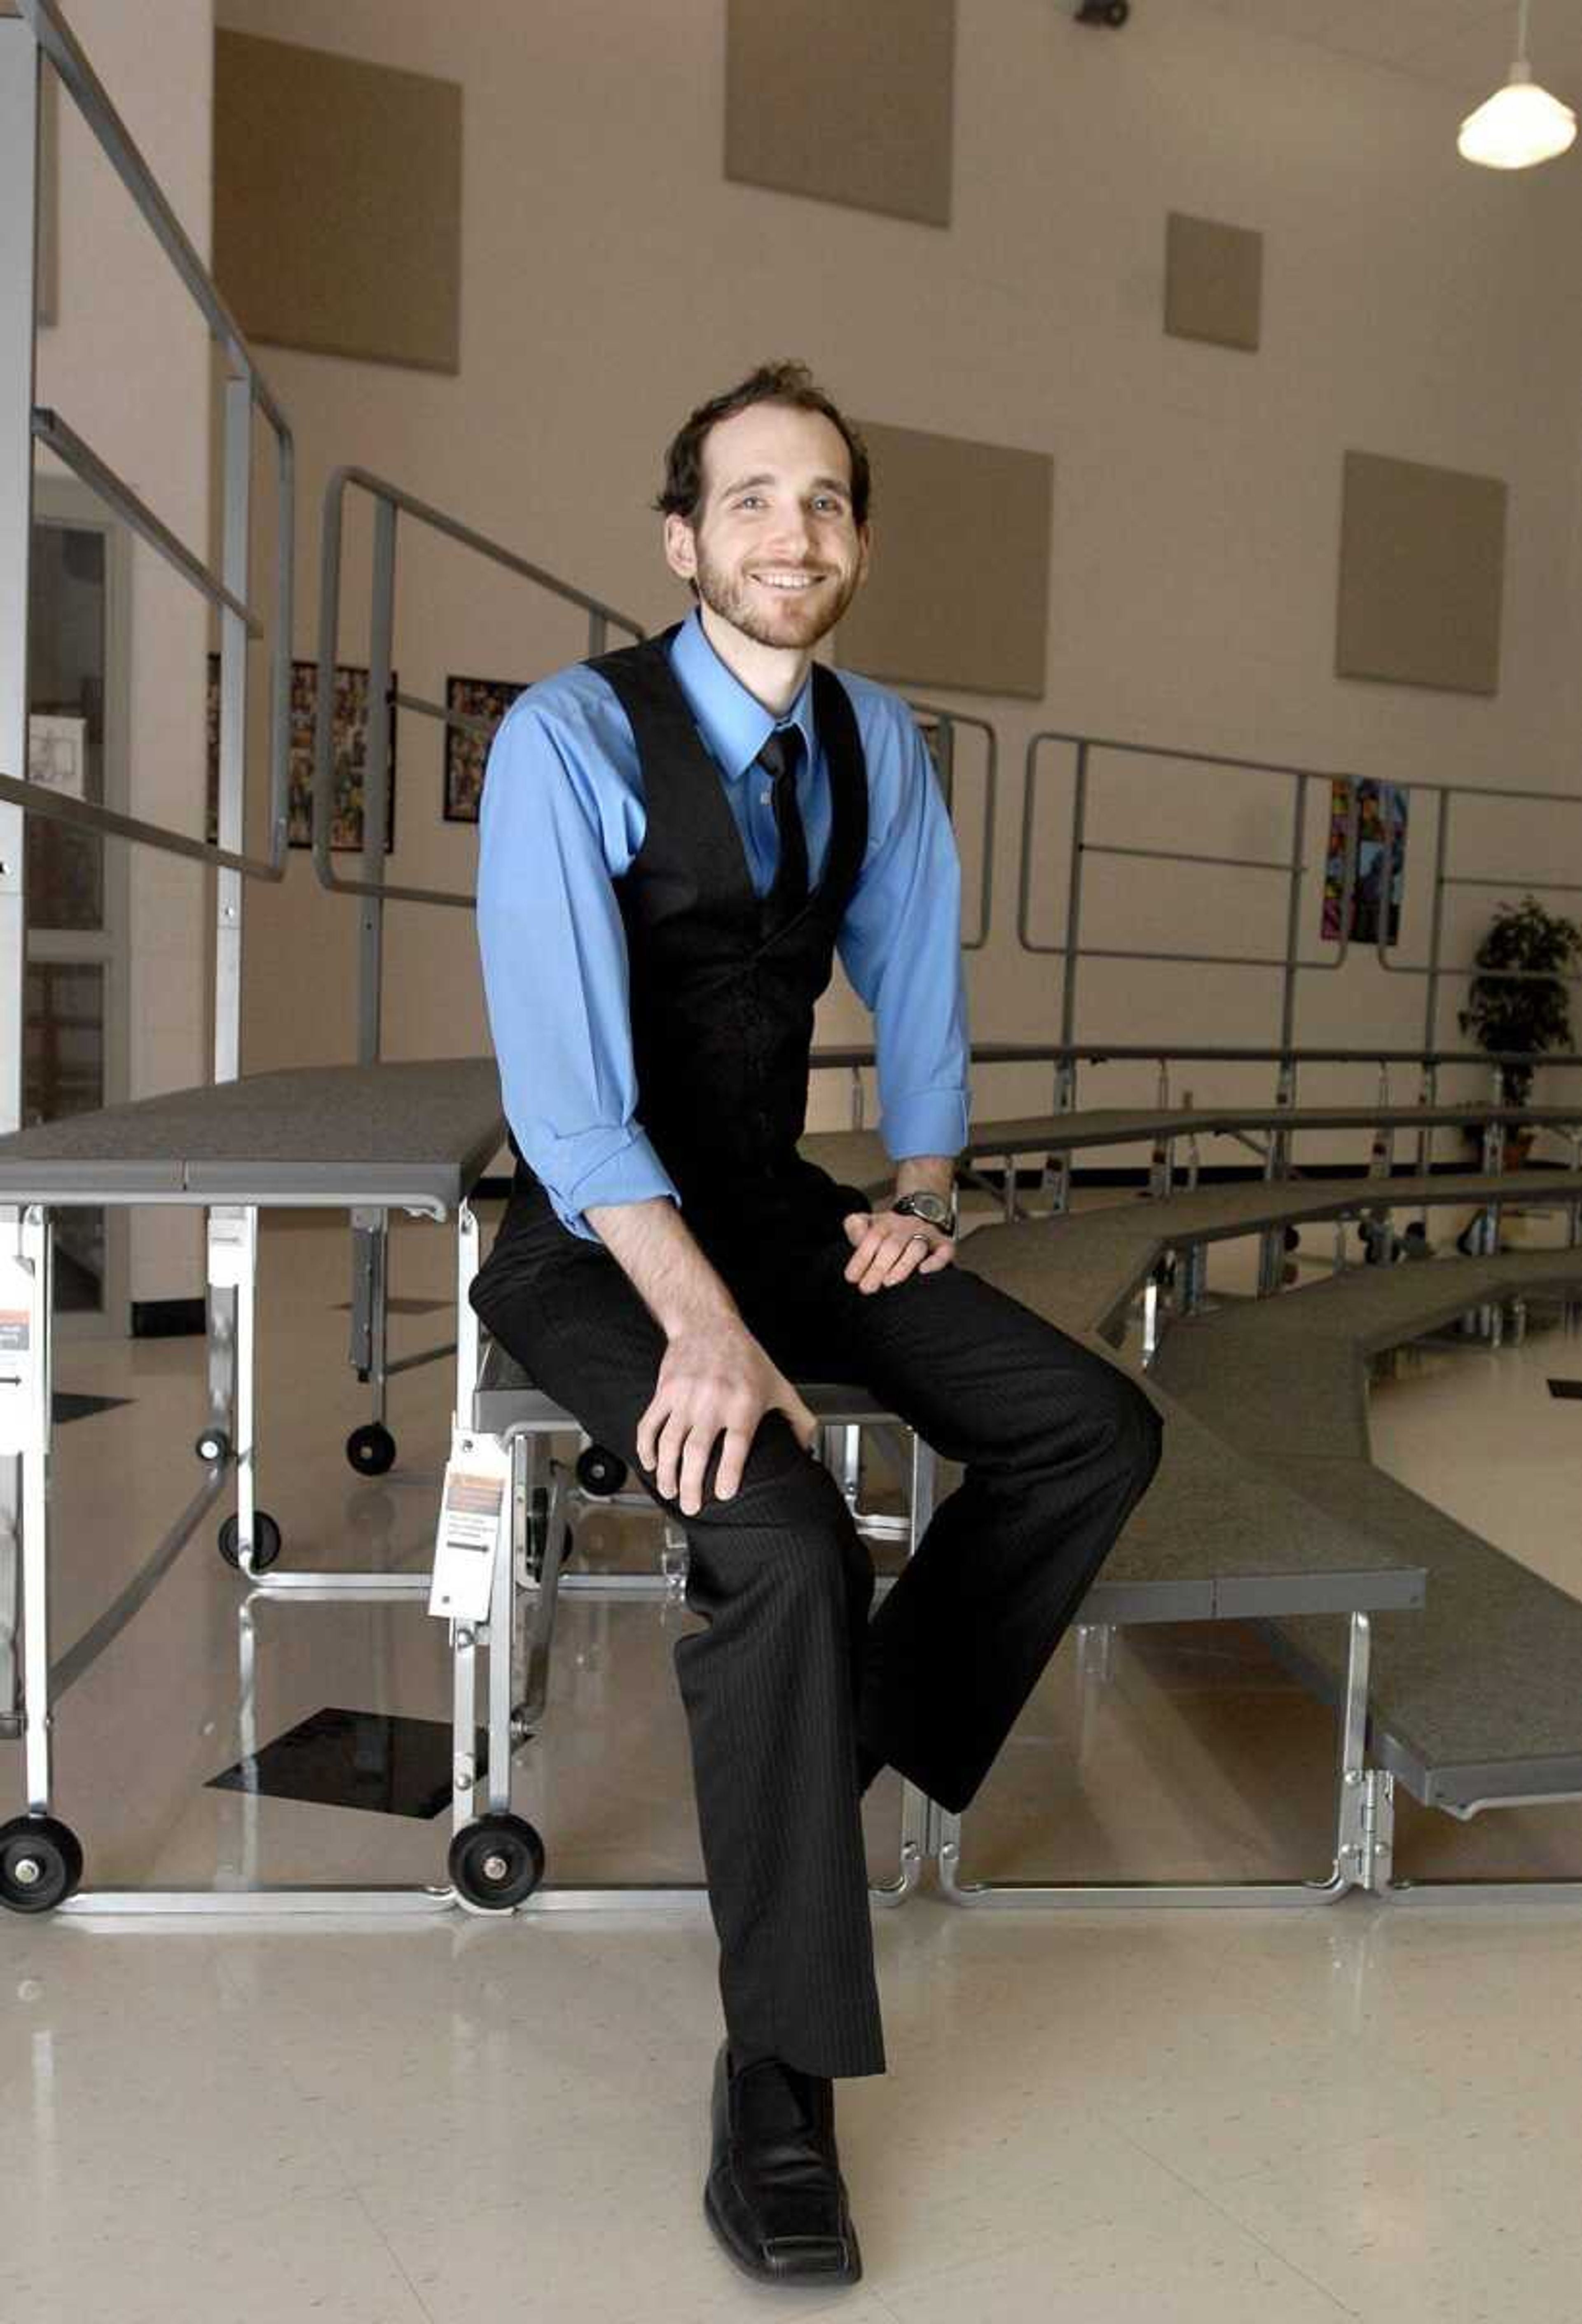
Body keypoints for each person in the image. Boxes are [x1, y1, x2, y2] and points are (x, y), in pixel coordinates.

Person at [471, 360, 1163, 2287]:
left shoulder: (875, 738)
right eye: (754, 500)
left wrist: (924, 1201)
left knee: (1092, 1432)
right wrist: (697, 1326)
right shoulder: (565, 738)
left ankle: (813, 1766)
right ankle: (778, 2082)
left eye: (830, 502)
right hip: (588, 1234)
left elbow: (918, 964)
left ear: (857, 542)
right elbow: (570, 1100)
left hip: (774, 1205)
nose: (797, 534)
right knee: (778, 1537)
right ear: (683, 540)